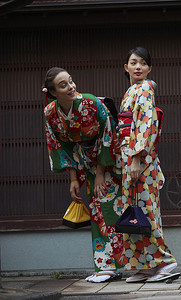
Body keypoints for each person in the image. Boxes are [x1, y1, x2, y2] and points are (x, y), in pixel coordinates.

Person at [42, 67, 124, 283]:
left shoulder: (90, 103)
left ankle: (119, 264)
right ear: (52, 92)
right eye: (63, 85)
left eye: (70, 82)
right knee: (97, 210)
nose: (71, 87)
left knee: (111, 207)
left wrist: (100, 171)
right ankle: (105, 266)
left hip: (109, 160)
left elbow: (109, 130)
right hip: (84, 161)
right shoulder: (50, 113)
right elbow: (60, 145)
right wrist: (72, 179)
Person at [118, 47, 178, 283]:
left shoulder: (144, 89)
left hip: (140, 161)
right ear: (126, 67)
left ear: (150, 68)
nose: (138, 67)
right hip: (129, 159)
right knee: (134, 213)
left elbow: (146, 123)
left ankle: (166, 262)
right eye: (134, 63)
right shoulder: (130, 91)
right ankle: (146, 265)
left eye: (143, 63)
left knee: (147, 212)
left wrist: (136, 158)